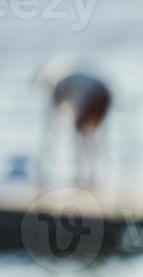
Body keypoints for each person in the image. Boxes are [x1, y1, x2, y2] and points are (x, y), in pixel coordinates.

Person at [36, 58, 113, 188]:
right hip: (104, 91)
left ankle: (79, 176)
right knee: (93, 135)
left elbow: (51, 125)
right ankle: (94, 175)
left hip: (91, 95)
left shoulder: (57, 85)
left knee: (80, 136)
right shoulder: (65, 77)